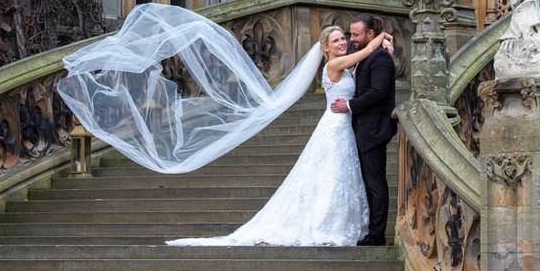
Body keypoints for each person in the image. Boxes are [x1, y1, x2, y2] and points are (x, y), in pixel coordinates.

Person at [167, 25, 395, 247]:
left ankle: (345, 223)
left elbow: (365, 61)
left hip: (346, 125)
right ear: (325, 48)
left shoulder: (346, 67)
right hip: (336, 125)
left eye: (343, 38)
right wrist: (384, 34)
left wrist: (386, 50)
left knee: (338, 175)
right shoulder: (335, 65)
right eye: (336, 40)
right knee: (331, 175)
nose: (343, 42)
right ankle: (327, 224)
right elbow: (366, 51)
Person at [330, 14, 398, 246]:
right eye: (349, 34)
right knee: (368, 182)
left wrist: (349, 105)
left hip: (374, 130)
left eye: (355, 34)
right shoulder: (368, 54)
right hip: (361, 129)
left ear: (370, 34)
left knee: (375, 183)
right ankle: (369, 229)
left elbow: (378, 92)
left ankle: (377, 234)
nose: (351, 39)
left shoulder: (381, 59)